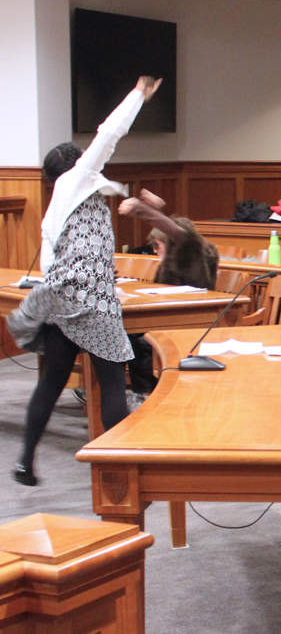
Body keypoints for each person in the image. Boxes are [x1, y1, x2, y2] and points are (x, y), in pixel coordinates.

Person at [7, 76, 162, 486]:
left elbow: (49, 261)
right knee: (112, 381)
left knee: (51, 382)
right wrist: (137, 95)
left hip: (60, 301)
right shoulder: (78, 179)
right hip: (92, 301)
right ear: (75, 165)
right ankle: (117, 471)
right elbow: (109, 134)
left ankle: (25, 462)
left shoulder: (55, 204)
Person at [118, 188, 221, 400]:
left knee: (137, 340)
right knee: (125, 335)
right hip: (171, 318)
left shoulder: (190, 252)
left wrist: (142, 210)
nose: (156, 251)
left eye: (158, 246)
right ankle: (137, 393)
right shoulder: (183, 255)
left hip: (190, 321)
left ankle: (145, 394)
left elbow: (178, 233)